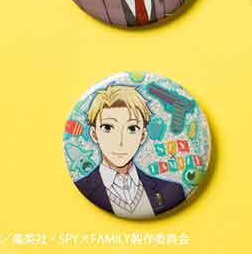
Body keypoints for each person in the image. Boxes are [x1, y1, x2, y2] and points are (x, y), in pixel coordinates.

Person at [74, 85, 185, 218]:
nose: (120, 142)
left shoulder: (173, 191)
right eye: (107, 128)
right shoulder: (81, 189)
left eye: (132, 129)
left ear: (142, 136)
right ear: (94, 134)